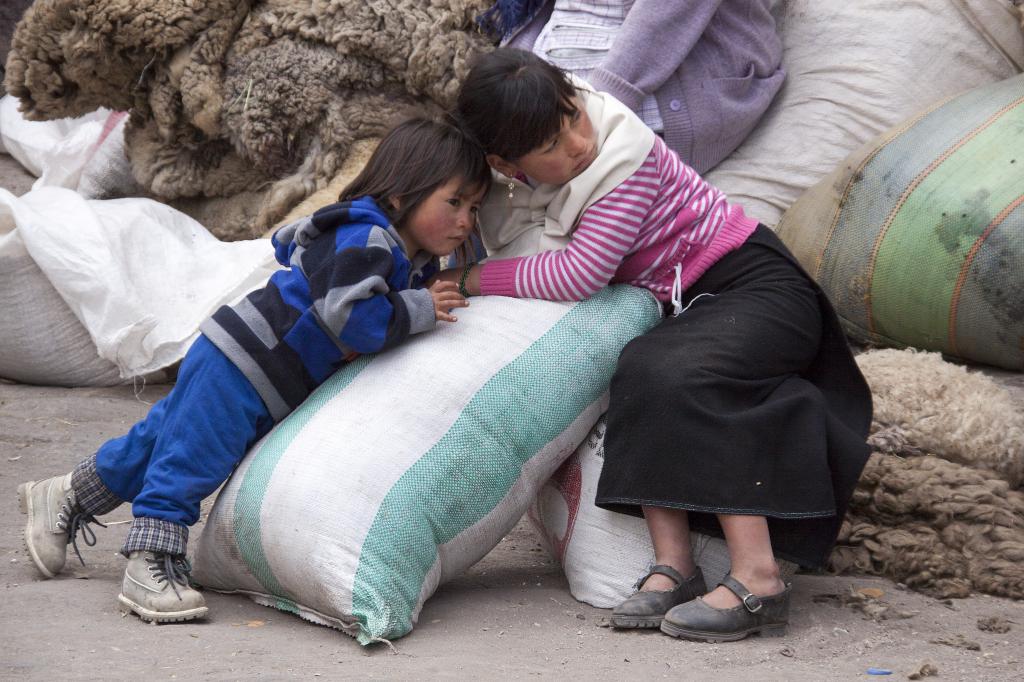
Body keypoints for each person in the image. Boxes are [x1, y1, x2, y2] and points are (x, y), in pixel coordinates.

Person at [444, 49, 872, 642]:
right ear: (506, 165)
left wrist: (468, 281)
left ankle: (760, 581)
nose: (576, 141)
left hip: (756, 286)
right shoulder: (515, 188)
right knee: (641, 368)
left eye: (574, 116)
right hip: (692, 303)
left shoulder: (624, 156)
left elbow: (576, 276)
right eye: (550, 144)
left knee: (684, 373)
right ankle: (675, 568)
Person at [17, 116, 490, 624]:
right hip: (245, 363)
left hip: (260, 370)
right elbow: (350, 317)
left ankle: (67, 495)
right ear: (400, 194)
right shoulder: (364, 236)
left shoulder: (402, 254)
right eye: (454, 202)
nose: (465, 220)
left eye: (475, 207)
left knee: (160, 443)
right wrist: (417, 309)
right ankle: (150, 559)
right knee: (194, 461)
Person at [475, 0, 785, 174]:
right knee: (485, 168)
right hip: (568, 88)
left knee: (545, 165)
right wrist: (515, 75)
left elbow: (666, 15)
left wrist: (596, 106)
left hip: (671, 83)